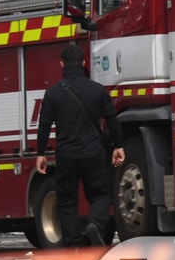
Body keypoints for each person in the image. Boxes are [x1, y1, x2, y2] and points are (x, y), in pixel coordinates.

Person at [35, 42, 126, 247]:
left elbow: (44, 125)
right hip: (93, 153)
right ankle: (94, 224)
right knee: (101, 195)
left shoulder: (53, 93)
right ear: (84, 63)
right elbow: (111, 119)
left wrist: (41, 153)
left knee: (67, 201)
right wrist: (118, 146)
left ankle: (74, 243)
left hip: (66, 155)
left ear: (62, 64)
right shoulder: (97, 90)